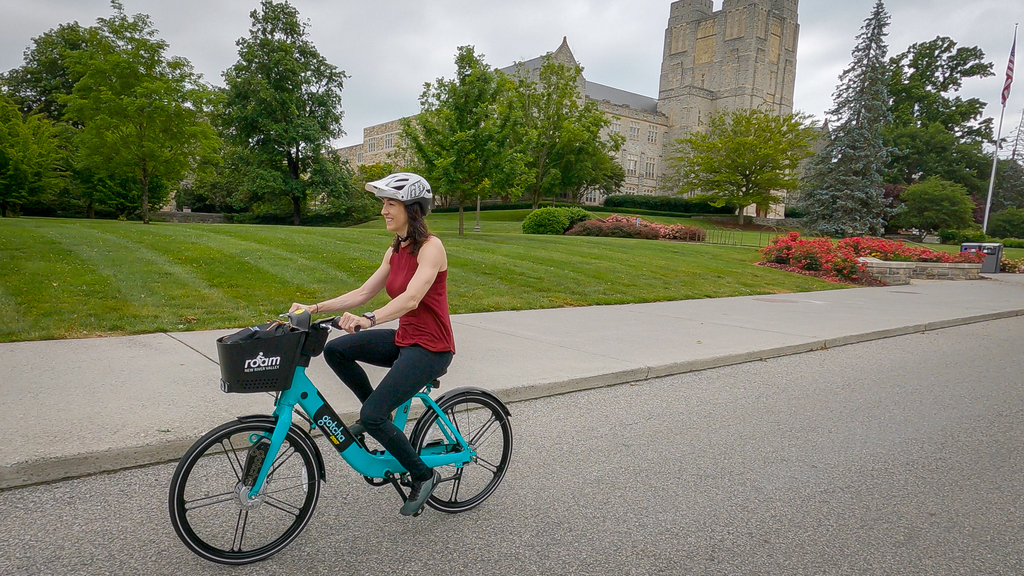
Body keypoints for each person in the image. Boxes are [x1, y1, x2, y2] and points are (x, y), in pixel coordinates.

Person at [289, 172, 455, 516]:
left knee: (374, 415)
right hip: (405, 339)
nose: (383, 211)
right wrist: (314, 307)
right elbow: (364, 292)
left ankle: (423, 475)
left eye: (390, 203)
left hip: (431, 348)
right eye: (383, 203)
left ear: (412, 209)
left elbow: (411, 299)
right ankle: (376, 418)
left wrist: (369, 319)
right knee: (337, 350)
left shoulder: (431, 247)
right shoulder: (396, 249)